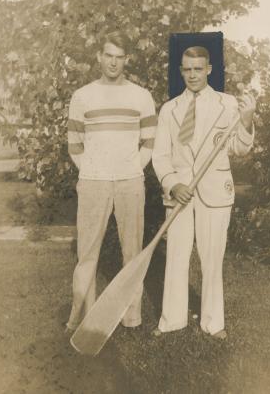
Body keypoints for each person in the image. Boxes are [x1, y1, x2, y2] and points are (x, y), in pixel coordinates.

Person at [152, 46, 255, 339]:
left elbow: (240, 149)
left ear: (209, 69)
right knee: (176, 255)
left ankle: (213, 323)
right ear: (181, 71)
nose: (193, 75)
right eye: (187, 69)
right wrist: (173, 184)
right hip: (180, 194)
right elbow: (160, 156)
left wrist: (246, 121)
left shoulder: (229, 104)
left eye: (199, 69)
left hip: (215, 192)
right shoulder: (169, 109)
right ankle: (171, 320)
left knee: (212, 257)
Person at [66, 31, 157, 331]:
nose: (114, 63)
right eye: (109, 56)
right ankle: (83, 315)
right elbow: (75, 145)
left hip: (130, 182)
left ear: (126, 60)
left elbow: (149, 143)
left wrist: (131, 168)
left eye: (120, 57)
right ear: (99, 57)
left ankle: (131, 316)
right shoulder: (82, 96)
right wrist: (94, 169)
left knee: (132, 250)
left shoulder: (141, 96)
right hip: (93, 182)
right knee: (87, 252)